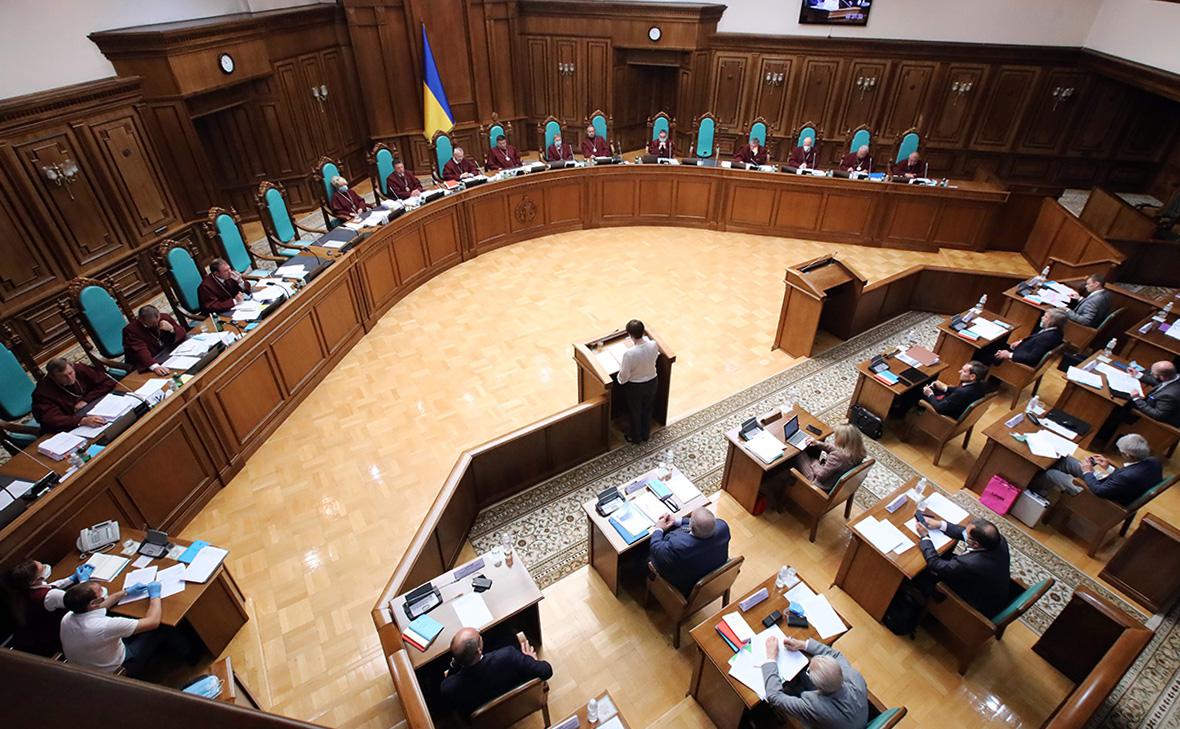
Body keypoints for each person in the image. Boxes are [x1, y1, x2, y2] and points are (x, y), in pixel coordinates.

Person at [439, 627, 553, 717]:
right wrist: (531, 660)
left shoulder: (448, 688)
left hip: (487, 721)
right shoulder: (509, 656)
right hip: (522, 705)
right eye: (479, 636)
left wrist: (454, 663)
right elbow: (546, 670)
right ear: (478, 650)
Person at [59, 579, 164, 676]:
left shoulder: (68, 617)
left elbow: (100, 606)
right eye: (100, 591)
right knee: (162, 628)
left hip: (85, 665)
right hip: (116, 668)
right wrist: (155, 596)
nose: (103, 591)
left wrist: (126, 592)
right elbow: (153, 622)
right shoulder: (104, 625)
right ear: (93, 603)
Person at [762, 636, 868, 729]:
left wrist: (771, 658)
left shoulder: (814, 707)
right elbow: (835, 655)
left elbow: (774, 696)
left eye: (809, 671)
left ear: (818, 687)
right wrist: (803, 645)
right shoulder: (855, 677)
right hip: (858, 719)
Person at [915, 516, 1010, 618]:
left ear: (976, 544)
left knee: (920, 575)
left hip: (975, 604)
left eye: (967, 535)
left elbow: (935, 564)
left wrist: (925, 537)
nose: (964, 533)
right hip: (991, 588)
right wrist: (940, 524)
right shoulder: (998, 540)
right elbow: (964, 533)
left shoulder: (968, 564)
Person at [1033, 433, 1162, 506]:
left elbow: (1099, 491)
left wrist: (1088, 472)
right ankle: (1043, 484)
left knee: (1051, 473)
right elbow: (1127, 477)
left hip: (1101, 500)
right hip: (1116, 487)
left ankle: (1036, 492)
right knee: (1066, 461)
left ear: (1128, 455)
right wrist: (1108, 468)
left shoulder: (1128, 476)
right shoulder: (1153, 461)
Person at [3, 560, 92, 656]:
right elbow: (79, 599)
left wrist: (71, 579)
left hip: (38, 633)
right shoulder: (50, 596)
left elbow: (50, 585)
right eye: (43, 568)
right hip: (58, 635)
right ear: (37, 579)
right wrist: (84, 581)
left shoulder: (24, 590)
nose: (46, 567)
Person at [649, 507, 730, 596]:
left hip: (686, 584)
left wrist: (659, 529)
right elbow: (703, 524)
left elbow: (656, 548)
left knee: (643, 553)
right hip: (711, 571)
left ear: (690, 526)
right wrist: (676, 521)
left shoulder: (678, 546)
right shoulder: (723, 527)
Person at [31, 358, 117, 433]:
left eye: (70, 373)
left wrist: (86, 400)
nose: (70, 378)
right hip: (71, 425)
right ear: (53, 377)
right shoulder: (42, 393)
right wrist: (82, 420)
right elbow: (51, 420)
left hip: (96, 410)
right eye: (64, 376)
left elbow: (107, 382)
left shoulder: (80, 369)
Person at [616, 319, 660, 443]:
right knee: (648, 409)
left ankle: (635, 437)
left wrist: (619, 380)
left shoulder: (629, 354)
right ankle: (645, 434)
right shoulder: (653, 344)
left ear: (630, 335)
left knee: (635, 412)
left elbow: (624, 376)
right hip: (652, 381)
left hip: (636, 387)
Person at [795, 424, 867, 491]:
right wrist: (818, 443)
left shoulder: (838, 456)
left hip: (819, 485)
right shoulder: (858, 452)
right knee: (812, 451)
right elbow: (836, 450)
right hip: (832, 481)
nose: (835, 438)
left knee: (798, 452)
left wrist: (814, 462)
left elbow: (820, 476)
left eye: (837, 436)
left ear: (842, 440)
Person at [122, 305, 186, 375]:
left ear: (159, 315)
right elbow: (140, 350)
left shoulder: (164, 318)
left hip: (166, 355)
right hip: (146, 362)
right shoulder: (131, 330)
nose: (155, 325)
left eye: (156, 322)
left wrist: (172, 329)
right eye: (151, 324)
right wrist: (154, 366)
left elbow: (182, 332)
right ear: (140, 319)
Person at [993, 308, 1065, 365]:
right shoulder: (1057, 332)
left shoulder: (1048, 338)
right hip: (1021, 350)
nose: (1042, 318)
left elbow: (1032, 358)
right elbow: (1036, 340)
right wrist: (1021, 341)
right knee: (997, 343)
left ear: (1052, 321)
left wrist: (1009, 355)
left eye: (1045, 317)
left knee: (989, 349)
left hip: (1017, 360)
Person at [920, 361, 989, 419]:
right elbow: (959, 390)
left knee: (919, 388)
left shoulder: (962, 392)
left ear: (972, 376)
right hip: (958, 406)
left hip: (948, 415)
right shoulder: (981, 385)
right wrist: (945, 388)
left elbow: (940, 409)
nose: (959, 371)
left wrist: (930, 394)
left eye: (964, 371)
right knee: (933, 387)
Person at [1130, 361, 1180, 426]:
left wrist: (1137, 399)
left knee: (1123, 407)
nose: (1151, 373)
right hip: (1161, 404)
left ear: (1161, 377)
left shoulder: (1169, 396)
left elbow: (1158, 415)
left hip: (1162, 420)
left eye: (1153, 374)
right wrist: (1137, 375)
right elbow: (1161, 383)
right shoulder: (1175, 376)